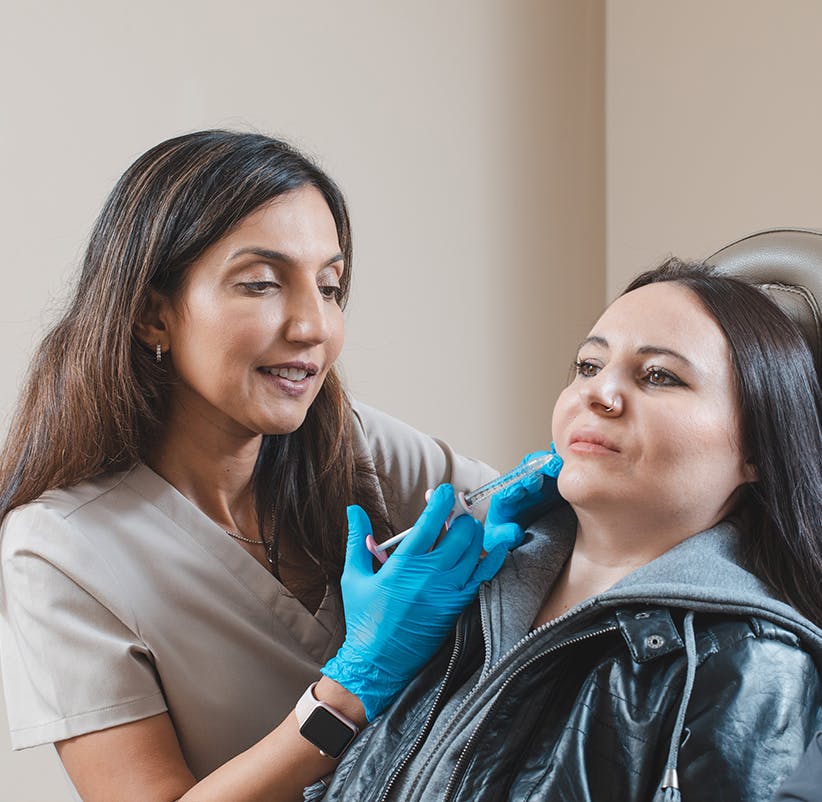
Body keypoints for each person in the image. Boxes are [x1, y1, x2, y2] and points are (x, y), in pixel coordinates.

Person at [0, 130, 525, 801]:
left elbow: (533, 515)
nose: (313, 325)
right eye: (261, 283)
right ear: (151, 316)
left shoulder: (354, 442)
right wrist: (351, 689)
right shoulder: (61, 549)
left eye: (330, 287)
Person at [312, 259, 822, 802]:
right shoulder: (468, 593)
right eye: (587, 366)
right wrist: (352, 678)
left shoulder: (748, 665)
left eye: (659, 376)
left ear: (758, 451)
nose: (598, 394)